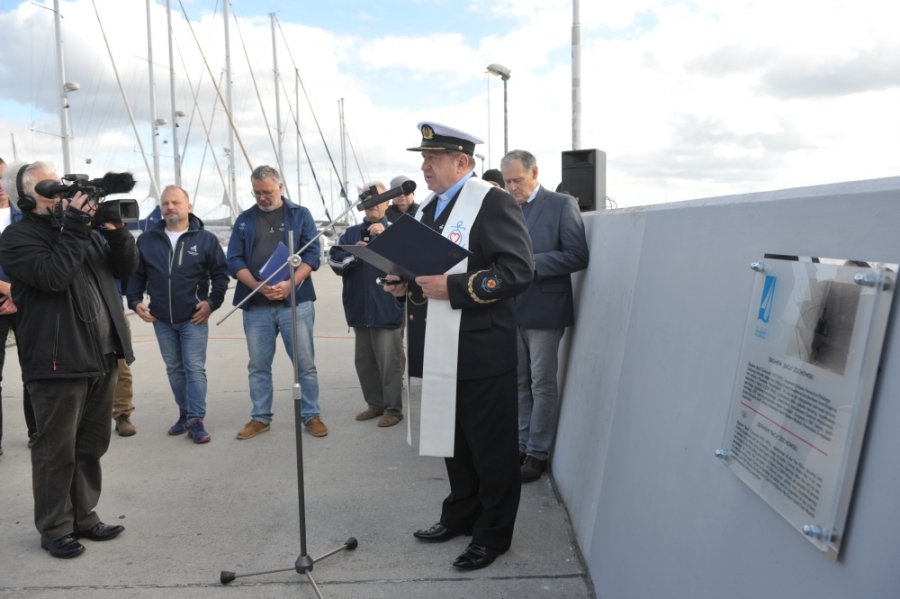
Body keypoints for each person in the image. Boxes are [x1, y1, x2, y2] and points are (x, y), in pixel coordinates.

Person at [383, 122, 534, 571]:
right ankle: (461, 514)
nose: (424, 166)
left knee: (491, 449)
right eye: (423, 159)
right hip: (439, 349)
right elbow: (425, 272)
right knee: (454, 445)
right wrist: (401, 282)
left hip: (481, 353)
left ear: (462, 163)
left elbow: (517, 272)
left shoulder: (492, 204)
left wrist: (456, 288)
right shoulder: (429, 210)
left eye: (434, 159)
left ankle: (492, 535)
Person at [0, 161, 137, 558]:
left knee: (91, 445)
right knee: (55, 450)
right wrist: (76, 226)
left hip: (102, 353)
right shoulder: (17, 237)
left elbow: (126, 270)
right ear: (26, 198)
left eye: (61, 185)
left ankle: (83, 516)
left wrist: (116, 232)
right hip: (57, 359)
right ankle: (55, 527)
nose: (61, 194)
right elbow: (54, 277)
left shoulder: (81, 231)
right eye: (50, 188)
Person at [500, 149, 590, 483]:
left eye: (518, 180)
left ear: (535, 172)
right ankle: (521, 445)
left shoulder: (562, 204)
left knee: (542, 382)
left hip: (545, 310)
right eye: (508, 181)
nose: (512, 187)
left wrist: (529, 265)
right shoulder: (507, 207)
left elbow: (578, 255)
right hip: (510, 308)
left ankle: (538, 453)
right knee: (518, 382)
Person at [226, 165, 328, 439]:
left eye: (268, 192)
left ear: (280, 188)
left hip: (295, 301)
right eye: (257, 193)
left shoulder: (300, 214)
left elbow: (313, 254)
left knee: (304, 363)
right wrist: (258, 286)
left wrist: (290, 284)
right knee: (258, 365)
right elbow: (233, 259)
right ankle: (260, 417)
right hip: (257, 304)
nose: (262, 198)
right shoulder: (245, 220)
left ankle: (311, 415)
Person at [128, 185, 228, 444]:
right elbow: (137, 275)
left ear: (188, 206)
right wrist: (135, 301)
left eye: (175, 202)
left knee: (193, 368)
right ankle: (184, 413)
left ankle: (196, 419)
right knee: (174, 368)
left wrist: (211, 303)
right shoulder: (147, 239)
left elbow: (220, 275)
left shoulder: (205, 239)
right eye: (165, 203)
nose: (170, 207)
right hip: (161, 318)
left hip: (193, 317)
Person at [328, 181, 405, 428]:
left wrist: (386, 242)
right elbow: (335, 263)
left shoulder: (396, 231)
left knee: (389, 361)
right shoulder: (349, 234)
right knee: (364, 361)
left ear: (387, 202)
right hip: (359, 307)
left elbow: (410, 265)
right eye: (366, 200)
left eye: (377, 199)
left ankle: (393, 409)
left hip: (387, 307)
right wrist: (355, 255)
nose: (372, 205)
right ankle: (375, 404)